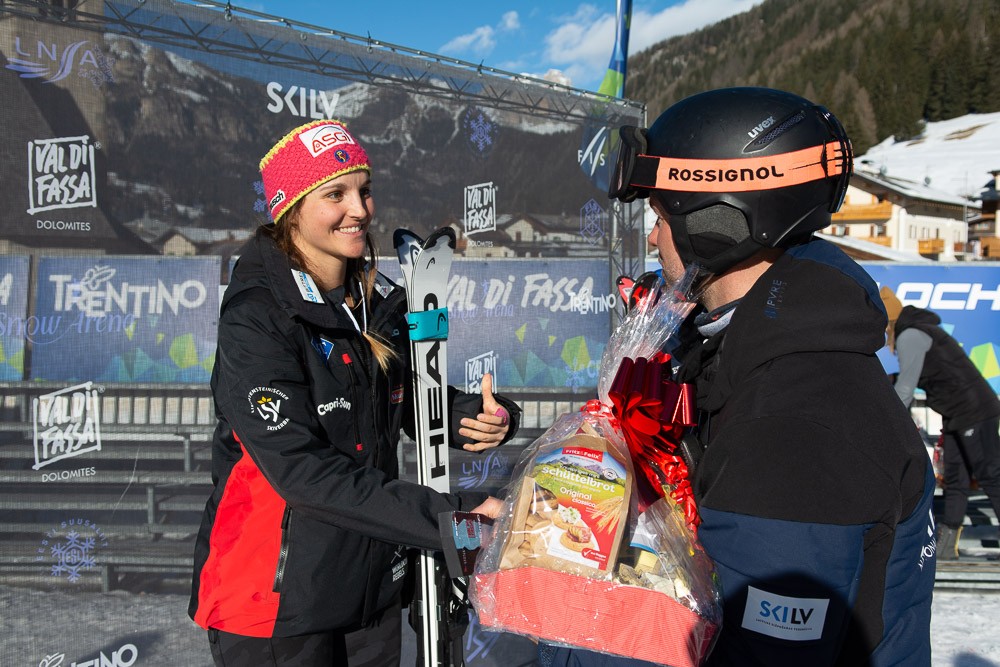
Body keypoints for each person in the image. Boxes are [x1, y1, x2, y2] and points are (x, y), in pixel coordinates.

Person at [543, 87, 936, 667]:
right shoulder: (740, 354)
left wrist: (562, 618)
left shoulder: (794, 422)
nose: (652, 238)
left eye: (660, 218)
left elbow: (748, 652)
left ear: (717, 222)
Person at [188, 119, 520, 666]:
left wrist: (475, 415)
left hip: (370, 585)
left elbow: (405, 401)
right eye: (335, 194)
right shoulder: (258, 316)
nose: (360, 209)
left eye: (364, 191)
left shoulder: (370, 303)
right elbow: (303, 473)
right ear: (291, 208)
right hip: (276, 601)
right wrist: (451, 514)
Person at [880, 287, 1000, 560]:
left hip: (974, 411)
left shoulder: (911, 335)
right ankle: (946, 546)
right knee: (956, 479)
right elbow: (914, 377)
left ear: (890, 323)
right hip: (958, 413)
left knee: (991, 475)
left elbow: (906, 388)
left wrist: (888, 424)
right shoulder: (919, 331)